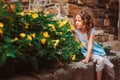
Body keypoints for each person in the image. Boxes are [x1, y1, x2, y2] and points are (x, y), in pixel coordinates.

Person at [72, 10, 115, 80]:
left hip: (96, 50)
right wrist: (86, 58)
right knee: (100, 60)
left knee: (110, 67)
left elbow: (90, 45)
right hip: (87, 52)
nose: (76, 22)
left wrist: (87, 58)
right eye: (76, 20)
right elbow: (77, 45)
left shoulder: (91, 31)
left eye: (79, 21)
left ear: (85, 22)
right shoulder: (76, 32)